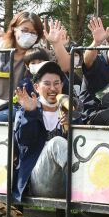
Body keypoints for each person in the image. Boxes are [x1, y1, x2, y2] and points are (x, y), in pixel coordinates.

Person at [0, 12, 70, 122]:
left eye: (33, 33)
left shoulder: (41, 54)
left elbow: (65, 67)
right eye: (25, 30)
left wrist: (57, 43)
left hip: (24, 106)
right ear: (14, 29)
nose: (29, 35)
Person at [13, 61, 79, 202]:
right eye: (47, 84)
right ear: (36, 87)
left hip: (65, 182)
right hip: (39, 182)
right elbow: (24, 143)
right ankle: (83, 184)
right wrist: (30, 113)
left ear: (62, 85)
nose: (52, 88)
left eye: (56, 83)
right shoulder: (26, 111)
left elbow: (81, 147)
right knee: (56, 142)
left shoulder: (69, 110)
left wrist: (71, 127)